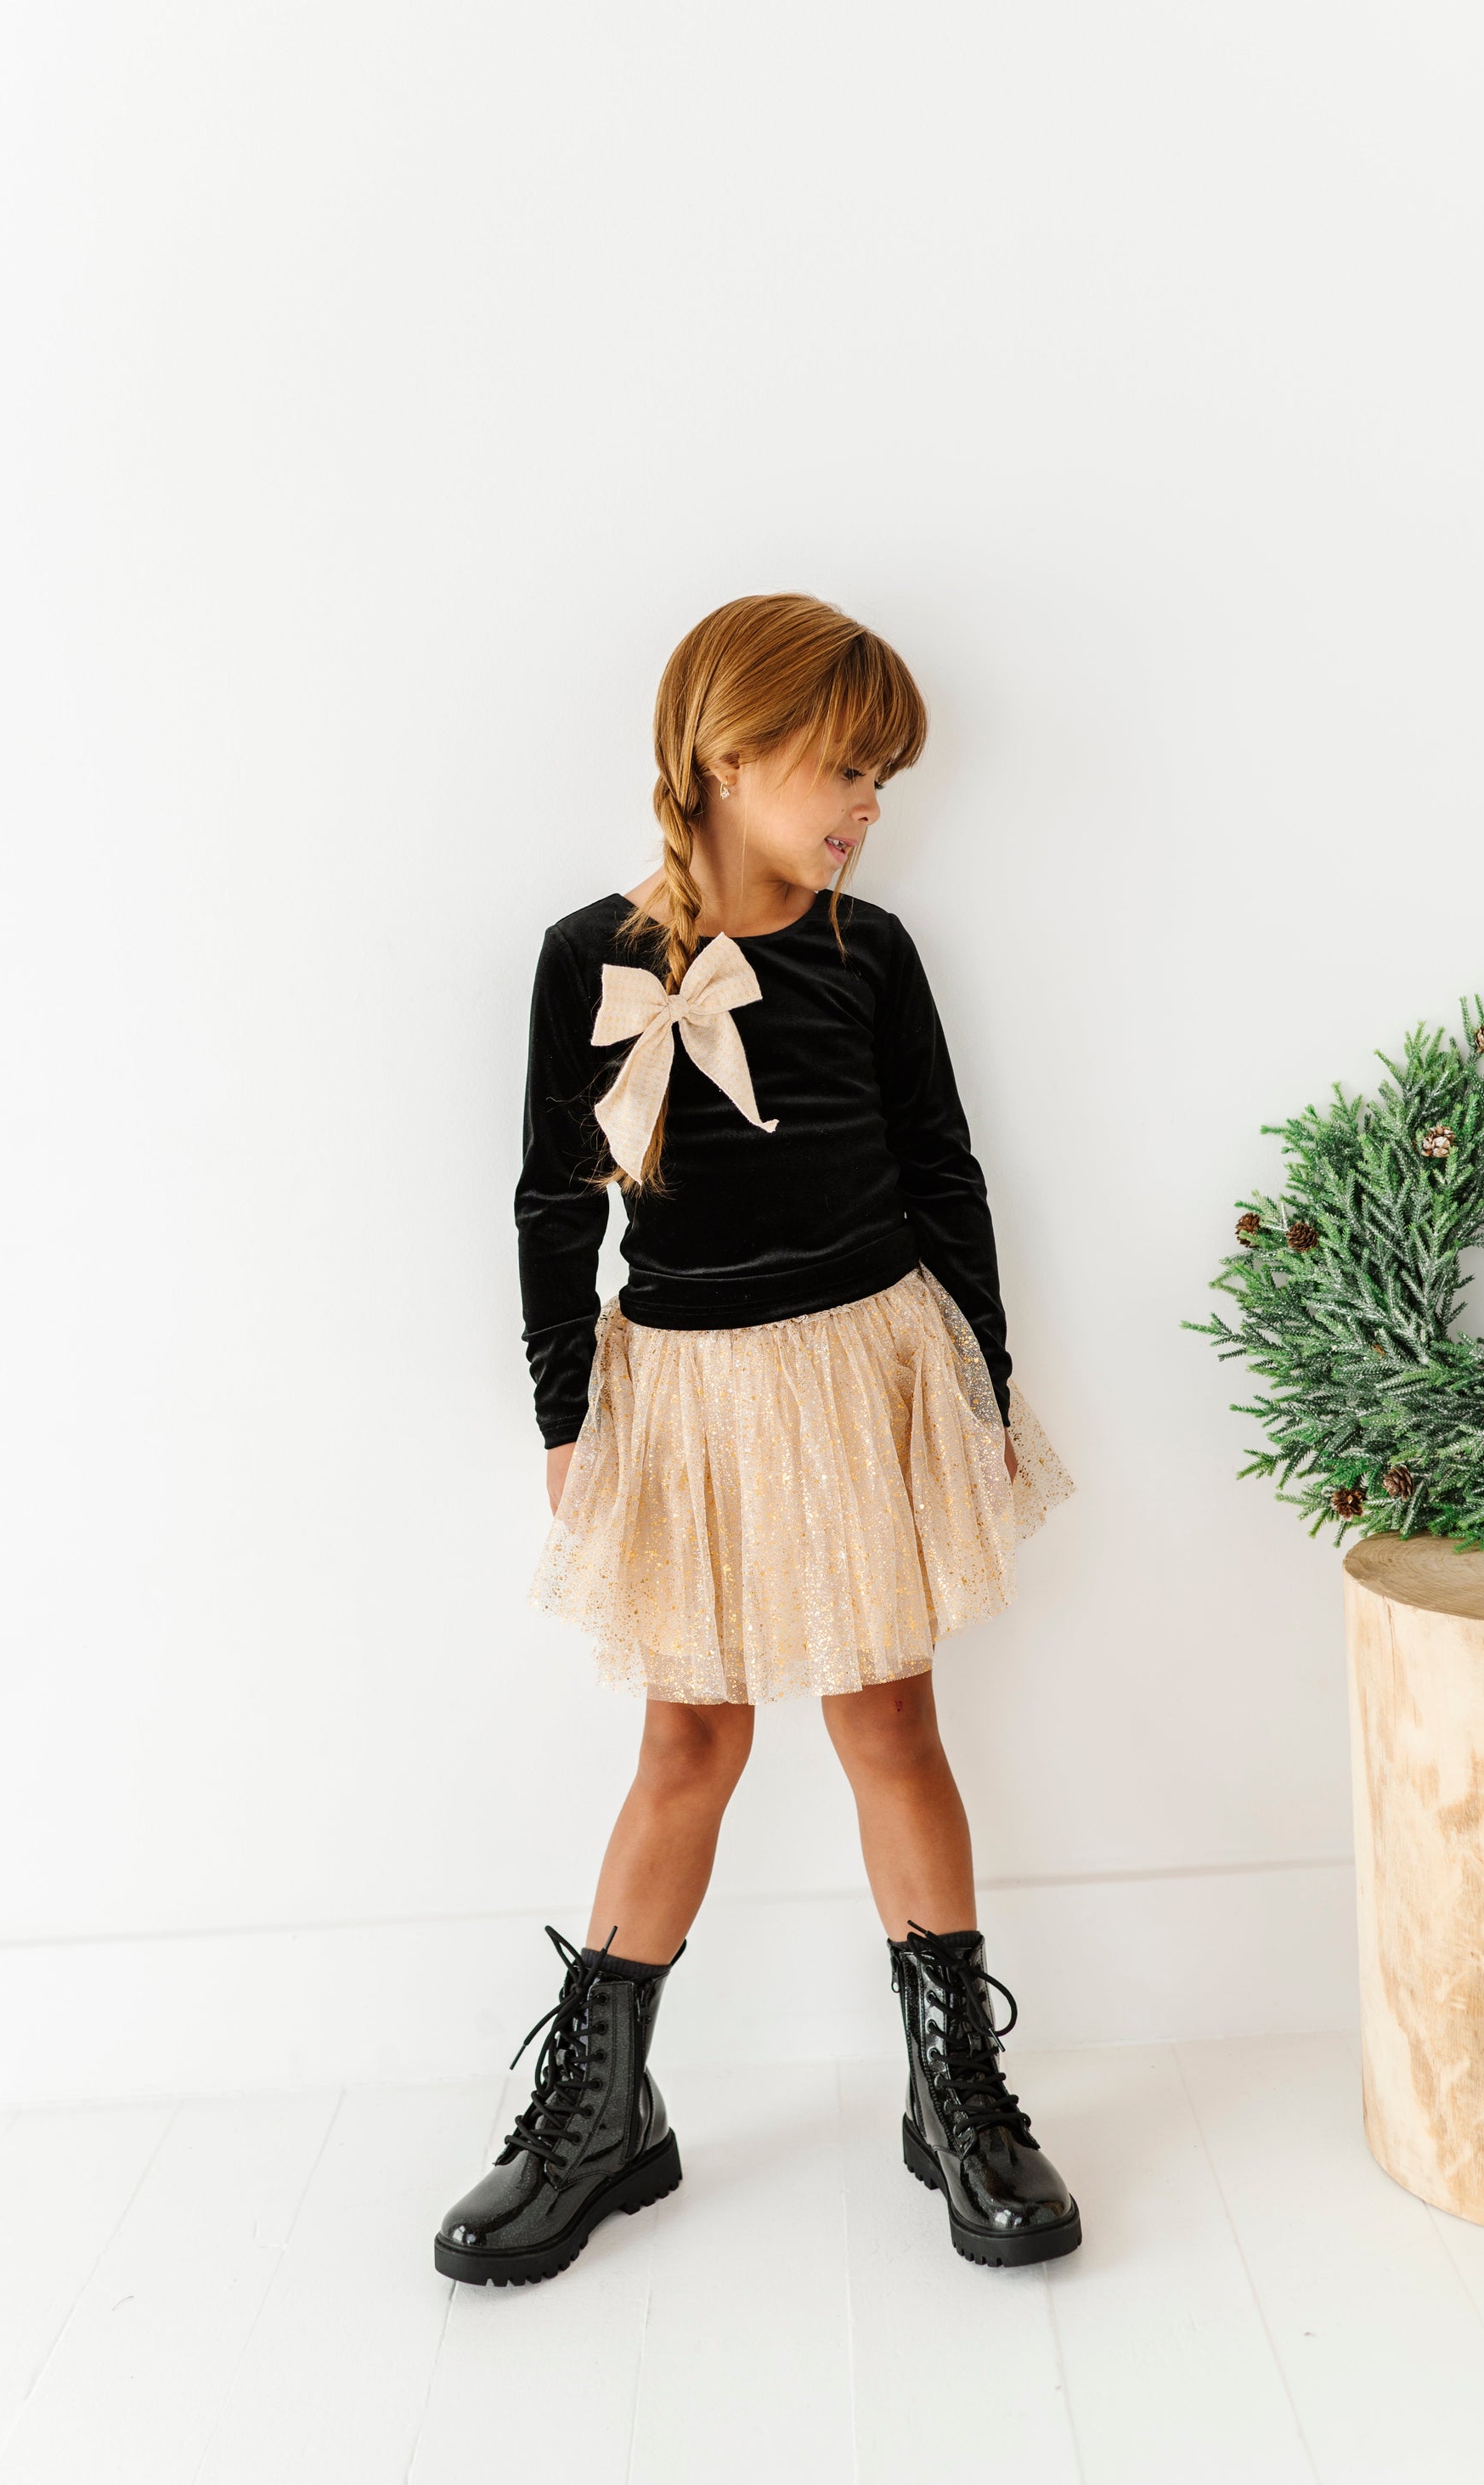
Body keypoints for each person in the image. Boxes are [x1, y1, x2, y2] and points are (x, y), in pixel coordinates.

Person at [434, 592, 1079, 2290]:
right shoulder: (590, 956)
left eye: (882, 778)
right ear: (728, 754)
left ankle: (952, 2090)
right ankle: (600, 2112)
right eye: (846, 768)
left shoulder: (873, 952)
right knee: (687, 1742)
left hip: (864, 1371)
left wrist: (982, 1384)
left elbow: (942, 1172)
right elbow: (551, 1200)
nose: (868, 805)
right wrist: (566, 1411)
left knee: (889, 1721)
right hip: (691, 1399)